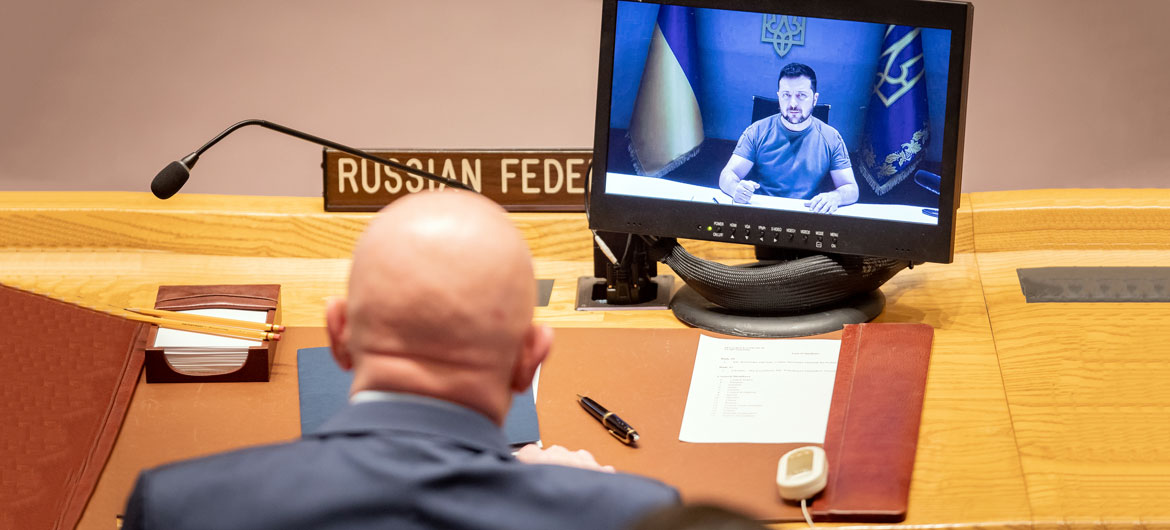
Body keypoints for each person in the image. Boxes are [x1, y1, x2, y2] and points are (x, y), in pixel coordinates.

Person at [121, 191, 679, 530]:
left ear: (339, 335)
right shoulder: (637, 518)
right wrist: (578, 498)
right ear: (528, 359)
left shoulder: (176, 508)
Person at [718, 62, 859, 214]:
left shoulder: (832, 138)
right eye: (786, 95)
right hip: (761, 211)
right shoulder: (756, 131)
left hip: (808, 213)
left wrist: (835, 197)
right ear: (779, 96)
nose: (793, 104)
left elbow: (851, 189)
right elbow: (727, 175)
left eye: (801, 96)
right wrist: (735, 189)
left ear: (815, 99)